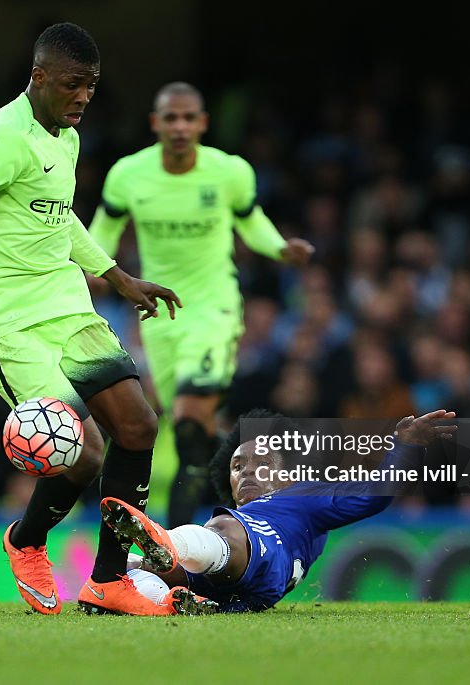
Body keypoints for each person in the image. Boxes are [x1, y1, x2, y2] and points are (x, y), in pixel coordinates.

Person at [0, 23, 182, 616]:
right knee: (81, 454)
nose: (83, 97)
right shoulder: (4, 138)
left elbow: (58, 218)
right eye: (71, 84)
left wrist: (118, 277)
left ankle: (109, 582)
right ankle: (27, 539)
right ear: (38, 78)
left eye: (90, 86)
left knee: (138, 427)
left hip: (64, 303)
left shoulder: (65, 133)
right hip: (3, 317)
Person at [89, 82, 315, 528]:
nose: (179, 126)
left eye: (188, 118)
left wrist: (279, 248)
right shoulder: (128, 175)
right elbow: (103, 231)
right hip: (158, 315)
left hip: (214, 308)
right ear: (155, 124)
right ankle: (240, 517)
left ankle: (176, 541)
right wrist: (89, 269)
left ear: (203, 124)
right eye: (170, 118)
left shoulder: (228, 172)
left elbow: (251, 222)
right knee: (191, 432)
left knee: (191, 418)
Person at [101, 408, 457, 612]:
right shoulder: (237, 512)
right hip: (242, 591)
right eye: (238, 467)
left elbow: (375, 495)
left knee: (221, 530)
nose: (248, 471)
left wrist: (406, 447)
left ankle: (165, 545)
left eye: (263, 462)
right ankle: (171, 600)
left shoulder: (304, 497)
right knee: (131, 571)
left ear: (288, 474)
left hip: (260, 553)